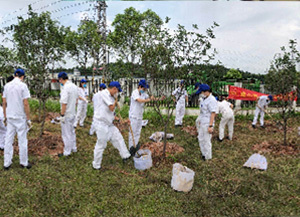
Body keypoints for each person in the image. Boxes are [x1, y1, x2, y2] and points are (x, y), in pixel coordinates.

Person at [92, 81, 131, 170]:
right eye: (116, 91)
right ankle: (96, 165)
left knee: (118, 138)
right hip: (101, 124)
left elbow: (111, 112)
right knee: (101, 144)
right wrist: (117, 100)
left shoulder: (110, 97)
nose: (116, 93)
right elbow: (111, 107)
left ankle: (126, 156)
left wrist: (120, 120)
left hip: (109, 123)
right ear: (114, 89)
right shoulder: (104, 94)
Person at [2, 69, 32, 170]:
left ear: (15, 75)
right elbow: (26, 103)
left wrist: (5, 116)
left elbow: (4, 103)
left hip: (10, 117)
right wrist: (28, 119)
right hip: (20, 117)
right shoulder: (23, 86)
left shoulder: (7, 86)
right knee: (22, 140)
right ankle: (23, 162)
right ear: (22, 76)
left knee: (8, 140)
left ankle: (7, 163)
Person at [128, 79, 154, 153]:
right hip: (133, 116)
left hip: (139, 116)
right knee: (132, 133)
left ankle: (135, 146)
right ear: (139, 86)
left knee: (138, 132)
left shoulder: (144, 94)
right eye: (143, 88)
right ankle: (131, 148)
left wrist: (158, 99)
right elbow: (139, 100)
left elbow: (149, 98)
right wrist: (148, 100)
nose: (144, 90)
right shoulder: (134, 93)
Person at [58, 72, 79, 157]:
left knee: (66, 134)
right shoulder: (74, 86)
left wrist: (62, 115)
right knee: (72, 132)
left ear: (61, 79)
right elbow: (77, 100)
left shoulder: (65, 88)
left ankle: (67, 152)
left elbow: (64, 103)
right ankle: (74, 148)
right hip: (73, 112)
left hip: (67, 114)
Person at [195, 84, 218, 161]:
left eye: (202, 92)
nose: (201, 94)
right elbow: (202, 112)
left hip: (208, 122)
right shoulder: (204, 99)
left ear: (207, 92)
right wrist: (199, 120)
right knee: (200, 138)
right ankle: (203, 154)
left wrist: (210, 126)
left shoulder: (212, 100)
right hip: (202, 122)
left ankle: (208, 157)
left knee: (207, 140)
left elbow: (213, 113)